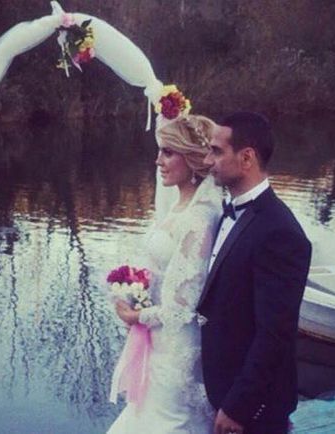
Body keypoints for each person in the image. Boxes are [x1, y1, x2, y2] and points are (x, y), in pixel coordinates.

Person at [107, 114, 223, 434]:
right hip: (158, 340)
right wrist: (132, 289)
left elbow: (182, 308)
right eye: (160, 151)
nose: (158, 161)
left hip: (176, 349)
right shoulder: (179, 206)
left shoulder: (200, 218)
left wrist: (135, 316)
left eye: (168, 152)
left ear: (192, 158)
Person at [198, 112, 312, 434]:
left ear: (246, 158)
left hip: (253, 412)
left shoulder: (280, 233)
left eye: (216, 151)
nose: (207, 161)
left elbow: (275, 334)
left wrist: (239, 406)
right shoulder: (229, 212)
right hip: (223, 392)